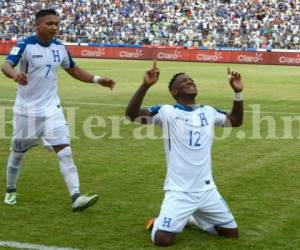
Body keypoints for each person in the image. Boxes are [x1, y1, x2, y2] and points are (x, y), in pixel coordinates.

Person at [1, 9, 116, 211]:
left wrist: (98, 80)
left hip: (52, 110)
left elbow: (73, 69)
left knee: (65, 151)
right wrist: (15, 75)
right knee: (18, 154)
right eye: (49, 23)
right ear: (37, 26)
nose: (54, 27)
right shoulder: (25, 45)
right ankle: (11, 189)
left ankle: (76, 196)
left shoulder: (60, 47)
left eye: (56, 23)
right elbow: (6, 65)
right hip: (26, 112)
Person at [125, 60, 243, 246]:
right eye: (184, 81)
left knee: (231, 234)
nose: (190, 82)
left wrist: (237, 92)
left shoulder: (208, 111)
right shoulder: (166, 112)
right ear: (174, 92)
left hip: (207, 191)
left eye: (191, 80)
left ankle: (190, 218)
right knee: (162, 240)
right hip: (180, 191)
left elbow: (235, 121)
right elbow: (131, 115)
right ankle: (161, 221)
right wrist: (145, 85)